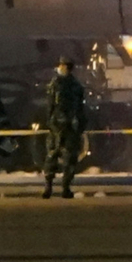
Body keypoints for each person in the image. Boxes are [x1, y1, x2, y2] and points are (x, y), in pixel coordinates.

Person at [42, 55, 86, 199]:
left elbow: (78, 107)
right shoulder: (67, 84)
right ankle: (52, 187)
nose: (61, 67)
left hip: (64, 127)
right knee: (56, 157)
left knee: (63, 157)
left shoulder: (61, 84)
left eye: (63, 65)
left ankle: (61, 188)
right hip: (61, 127)